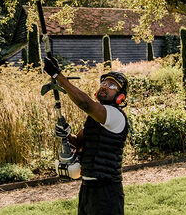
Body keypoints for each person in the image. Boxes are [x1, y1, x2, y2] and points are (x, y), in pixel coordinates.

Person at [43, 55, 128, 215]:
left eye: (112, 85)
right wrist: (67, 133)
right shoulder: (95, 118)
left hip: (107, 191)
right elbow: (78, 142)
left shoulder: (116, 115)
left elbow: (85, 103)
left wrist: (57, 75)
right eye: (104, 83)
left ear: (120, 96)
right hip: (87, 189)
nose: (105, 86)